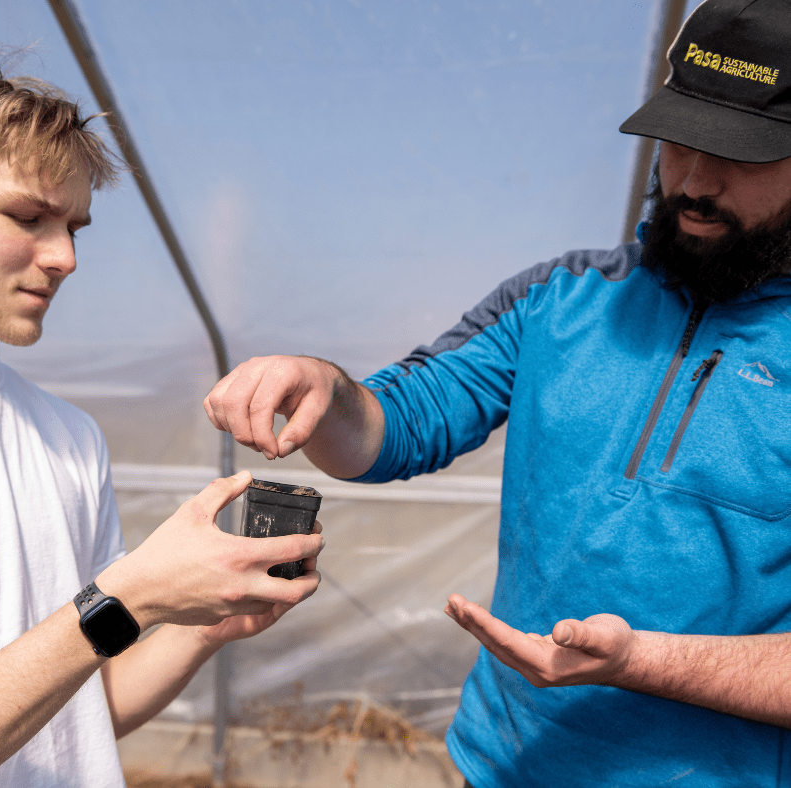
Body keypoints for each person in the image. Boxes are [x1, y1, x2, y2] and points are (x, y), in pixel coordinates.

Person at [204, 0, 791, 785]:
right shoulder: (563, 298)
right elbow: (398, 425)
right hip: (495, 763)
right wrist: (326, 389)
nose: (692, 181)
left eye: (738, 154)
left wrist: (637, 661)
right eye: (678, 141)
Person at [0, 53, 324, 788]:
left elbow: (83, 706)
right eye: (28, 217)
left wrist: (208, 626)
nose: (65, 256)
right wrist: (132, 593)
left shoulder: (71, 436)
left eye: (74, 226)